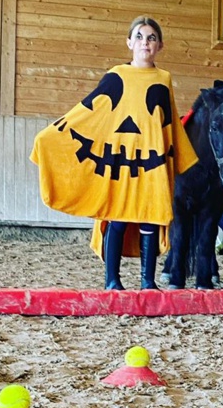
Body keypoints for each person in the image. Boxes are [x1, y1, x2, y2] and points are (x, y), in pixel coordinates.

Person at [30, 16, 198, 291]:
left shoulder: (163, 79)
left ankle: (147, 281)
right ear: (130, 42)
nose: (146, 42)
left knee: (150, 216)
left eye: (152, 38)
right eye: (140, 37)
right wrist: (51, 135)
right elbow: (89, 112)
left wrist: (181, 156)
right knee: (118, 214)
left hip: (150, 159)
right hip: (119, 159)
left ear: (160, 46)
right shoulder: (116, 76)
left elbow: (167, 124)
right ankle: (112, 280)